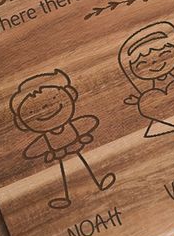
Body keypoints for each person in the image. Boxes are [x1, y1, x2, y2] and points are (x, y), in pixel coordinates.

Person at [10, 69, 115, 210]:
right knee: (65, 173)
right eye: (32, 112)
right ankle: (67, 196)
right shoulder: (46, 138)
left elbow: (87, 123)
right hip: (60, 155)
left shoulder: (72, 126)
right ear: (22, 121)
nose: (46, 110)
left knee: (84, 164)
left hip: (74, 148)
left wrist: (83, 137)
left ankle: (97, 183)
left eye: (52, 100)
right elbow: (33, 151)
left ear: (69, 95)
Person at [119, 21, 174, 153]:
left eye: (164, 55)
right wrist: (140, 101)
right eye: (143, 64)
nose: (155, 63)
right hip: (162, 113)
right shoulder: (148, 96)